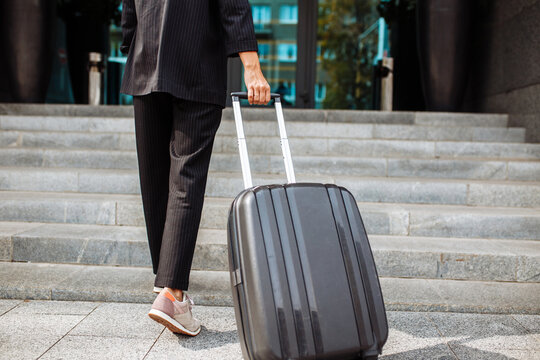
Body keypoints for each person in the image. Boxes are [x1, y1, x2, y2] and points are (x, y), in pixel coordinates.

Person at [119, 0, 270, 336]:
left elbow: (129, 11)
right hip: (195, 67)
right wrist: (252, 67)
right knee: (185, 178)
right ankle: (172, 293)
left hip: (145, 67)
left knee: (155, 181)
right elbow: (233, 6)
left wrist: (134, 45)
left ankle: (166, 287)